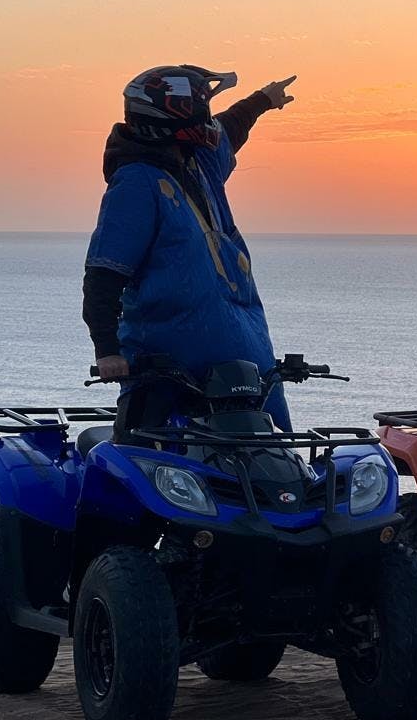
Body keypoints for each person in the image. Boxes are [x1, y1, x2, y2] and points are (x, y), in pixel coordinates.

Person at [82, 64, 296, 440]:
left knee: (273, 464)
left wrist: (263, 101)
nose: (209, 123)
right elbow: (105, 273)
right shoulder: (136, 184)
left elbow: (230, 128)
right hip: (169, 367)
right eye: (202, 112)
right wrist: (108, 351)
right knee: (152, 467)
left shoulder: (198, 164)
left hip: (246, 365)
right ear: (172, 119)